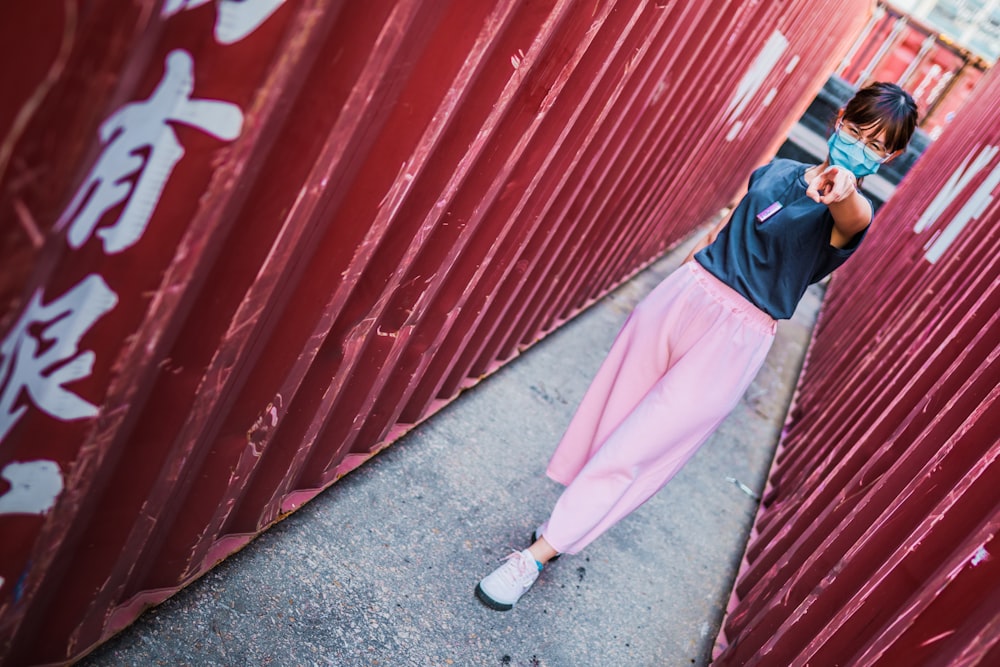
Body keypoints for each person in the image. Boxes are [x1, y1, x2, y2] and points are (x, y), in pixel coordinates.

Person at [474, 82, 919, 611]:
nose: (858, 148)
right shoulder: (777, 171)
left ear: (890, 156)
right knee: (612, 418)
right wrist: (678, 281)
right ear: (839, 119)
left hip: (736, 337)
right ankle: (571, 515)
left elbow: (848, 214)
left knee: (639, 447)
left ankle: (536, 556)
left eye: (874, 145)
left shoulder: (853, 212)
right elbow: (725, 231)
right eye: (854, 131)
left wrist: (843, 187)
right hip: (684, 297)